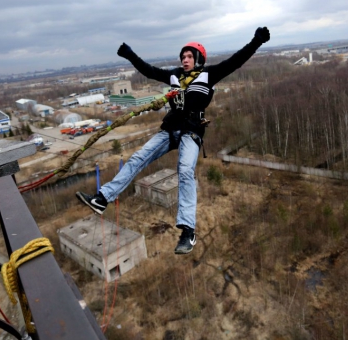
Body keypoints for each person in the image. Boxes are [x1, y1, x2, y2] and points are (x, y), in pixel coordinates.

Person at [77, 27, 270, 254]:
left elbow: (236, 60)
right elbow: (149, 71)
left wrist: (256, 41)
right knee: (138, 157)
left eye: (189, 56)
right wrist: (130, 55)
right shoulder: (174, 75)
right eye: (183, 56)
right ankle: (103, 198)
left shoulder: (209, 74)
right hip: (170, 129)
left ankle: (188, 231)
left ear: (198, 59)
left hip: (191, 131)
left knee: (186, 170)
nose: (185, 59)